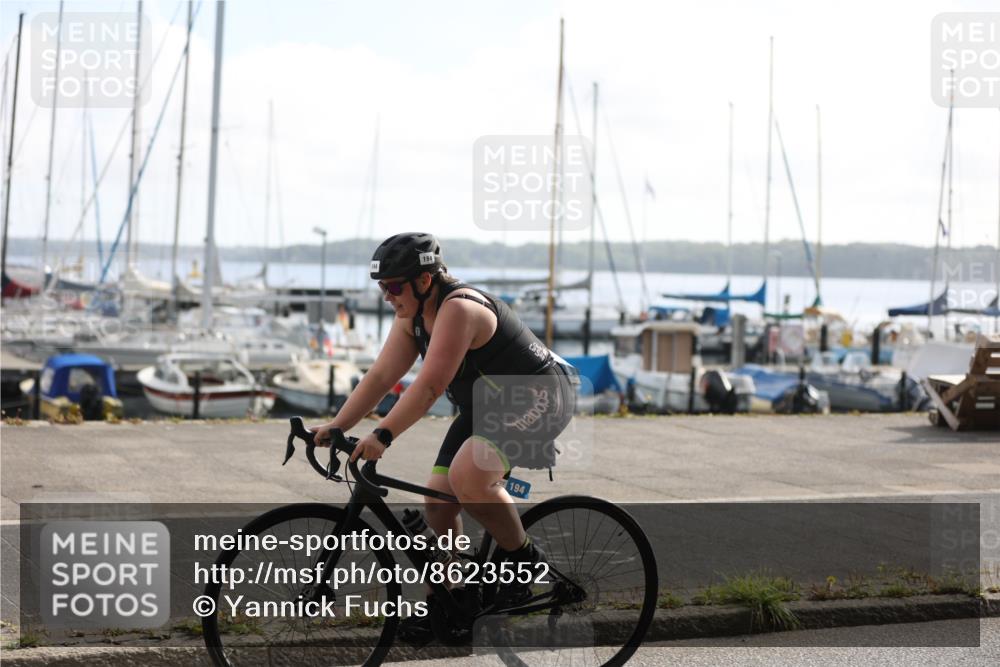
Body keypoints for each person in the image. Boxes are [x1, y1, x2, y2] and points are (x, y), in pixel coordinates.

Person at [311, 232, 575, 632]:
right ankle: (452, 600)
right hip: (486, 406)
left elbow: (430, 387)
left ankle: (523, 560)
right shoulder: (412, 317)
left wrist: (382, 435)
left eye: (393, 287)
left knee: (469, 477)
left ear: (424, 280)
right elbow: (381, 376)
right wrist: (337, 425)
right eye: (381, 287)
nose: (386, 296)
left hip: (540, 397)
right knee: (438, 501)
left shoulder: (459, 309)